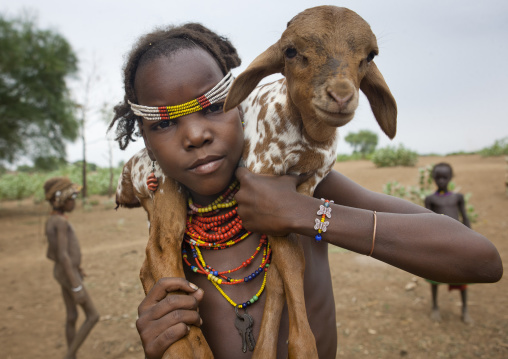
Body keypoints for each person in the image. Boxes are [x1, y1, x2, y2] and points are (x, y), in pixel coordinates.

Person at [108, 24, 503, 359]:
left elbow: (480, 260)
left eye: (213, 106)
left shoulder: (300, 181)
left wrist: (307, 213)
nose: (195, 135)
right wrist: (162, 343)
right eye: (163, 123)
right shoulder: (167, 236)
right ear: (143, 137)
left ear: (242, 99)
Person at [43, 177, 100, 359]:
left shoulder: (52, 220)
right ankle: (69, 355)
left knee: (72, 316)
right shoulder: (60, 222)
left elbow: (50, 254)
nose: (74, 202)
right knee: (93, 316)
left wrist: (77, 267)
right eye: (71, 198)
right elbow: (62, 255)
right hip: (69, 276)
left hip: (63, 273)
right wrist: (76, 285)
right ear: (59, 200)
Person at [424, 163, 472, 323]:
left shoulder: (458, 198)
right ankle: (435, 306)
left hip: (457, 242)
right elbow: (428, 221)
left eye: (445, 177)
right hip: (438, 243)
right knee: (434, 276)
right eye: (438, 177)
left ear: (451, 178)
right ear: (433, 179)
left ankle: (465, 309)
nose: (441, 181)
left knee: (460, 275)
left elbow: (464, 217)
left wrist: (470, 237)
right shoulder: (430, 199)